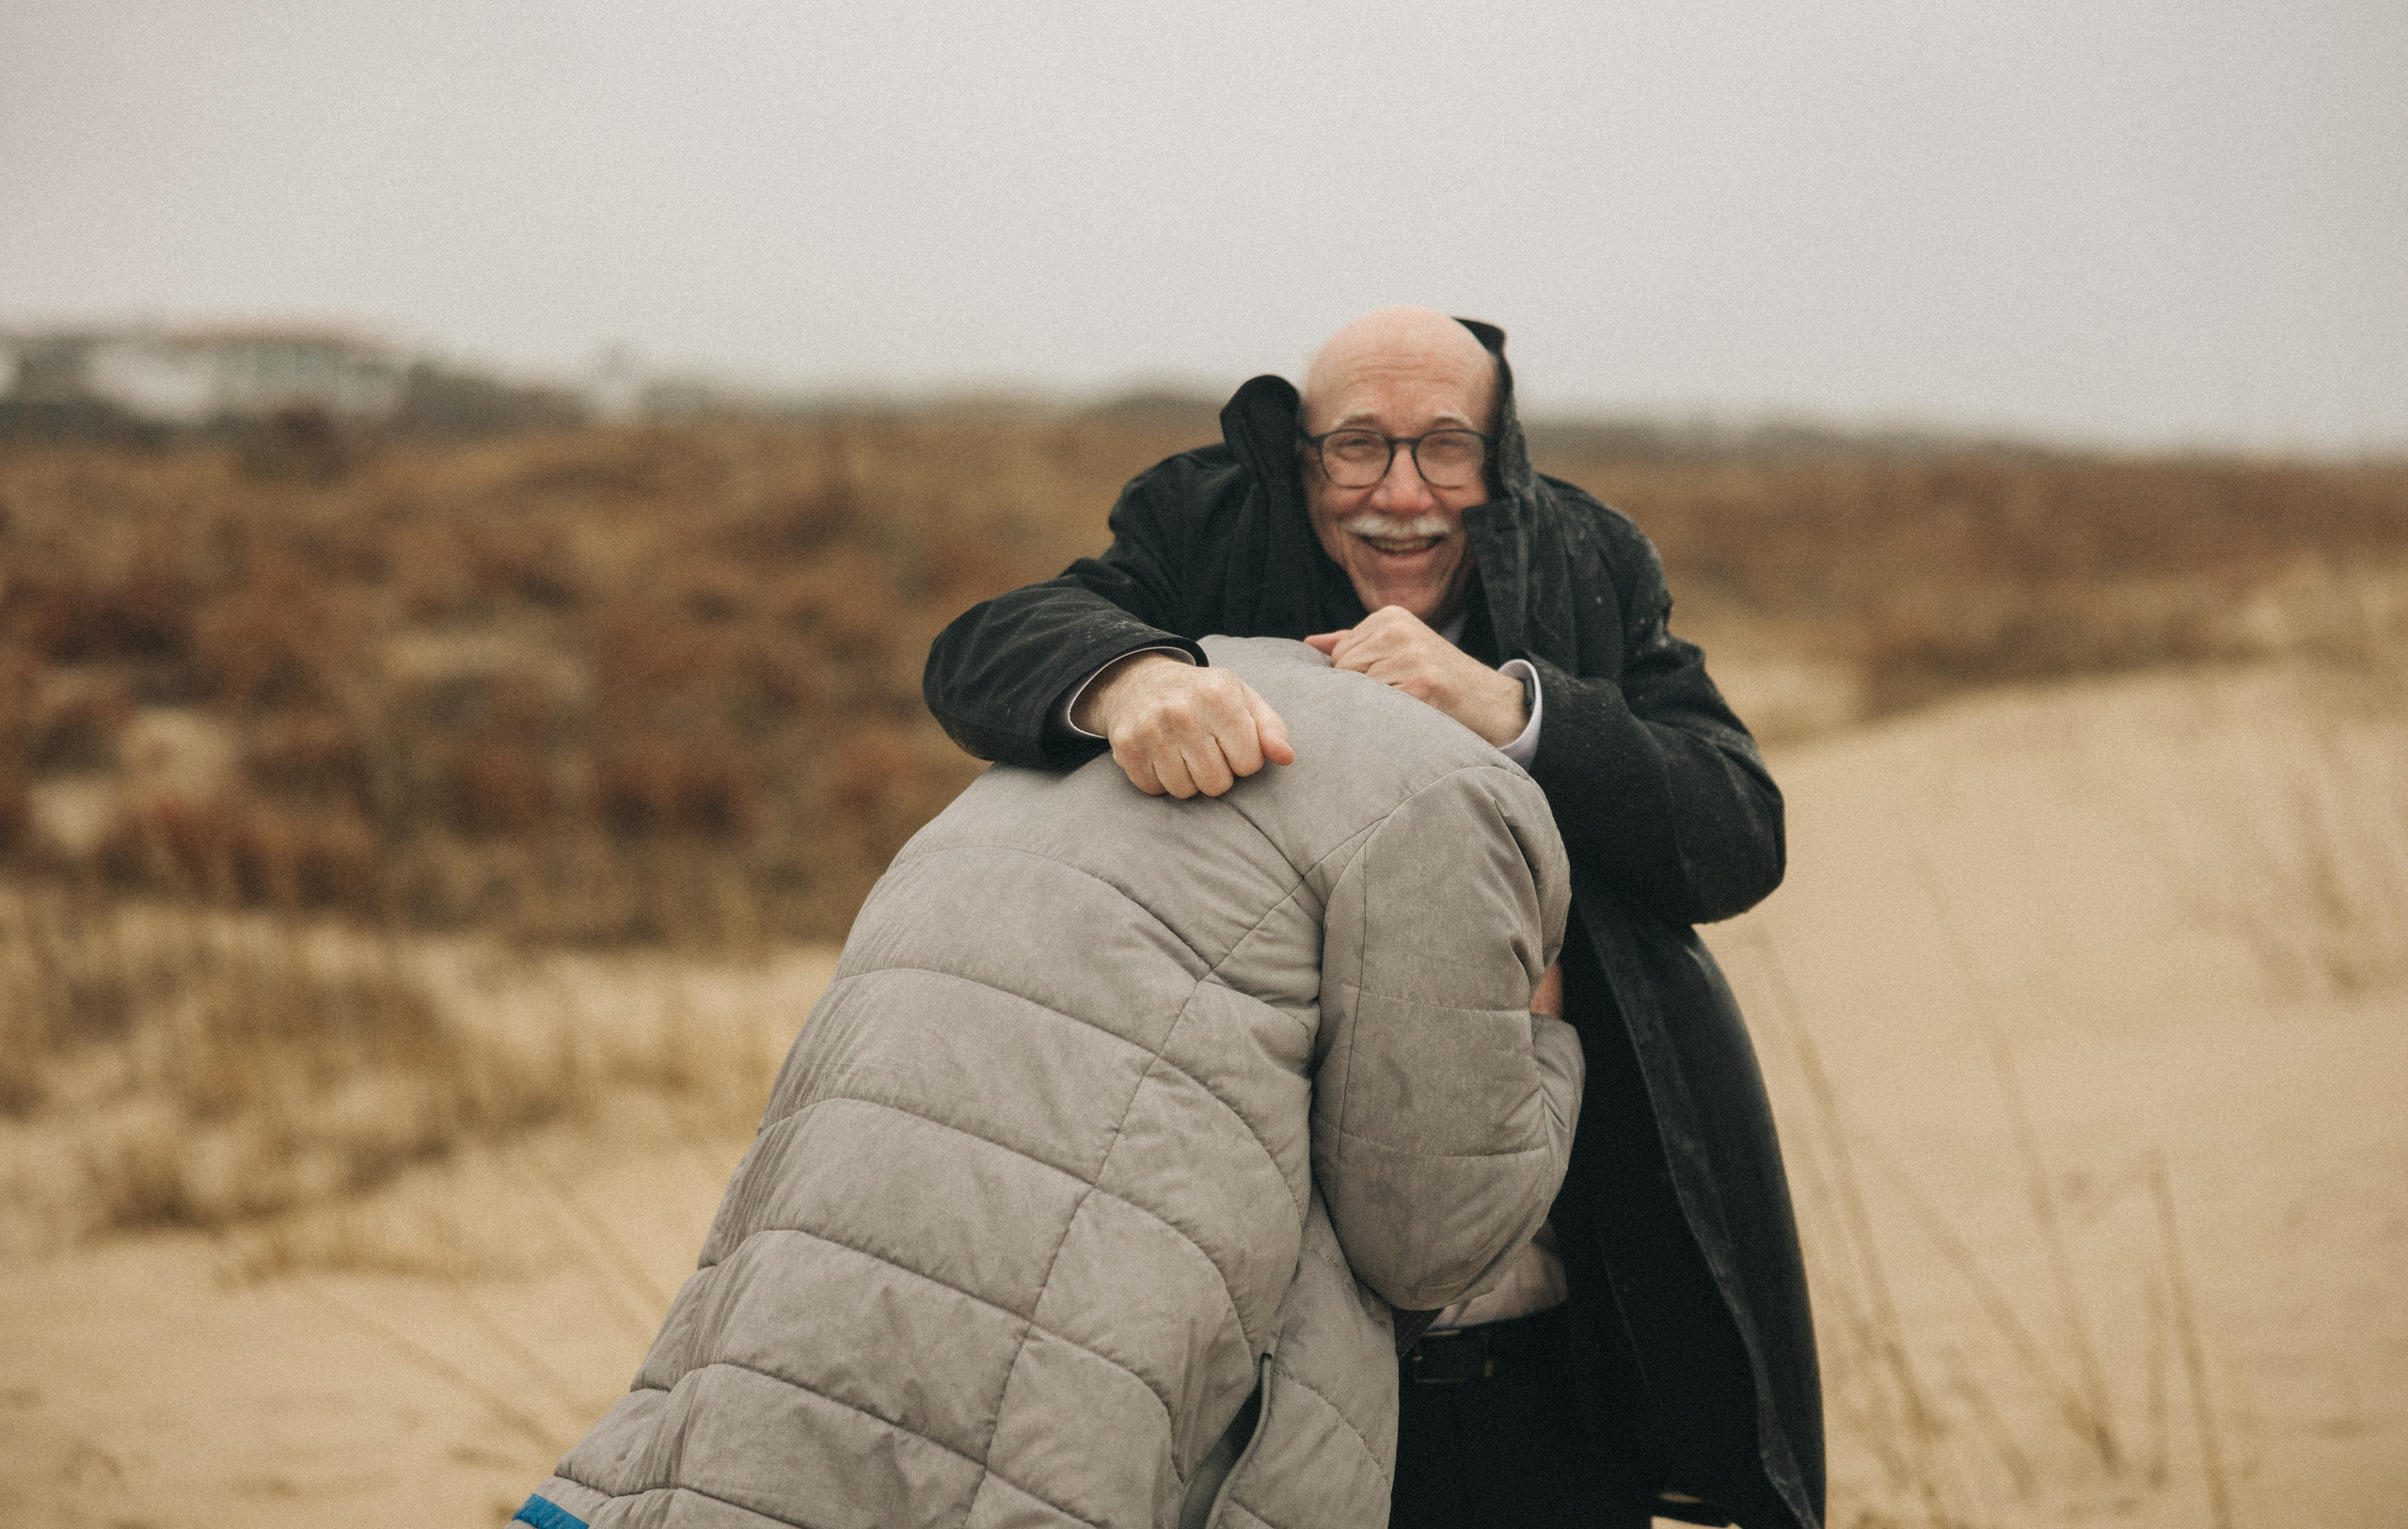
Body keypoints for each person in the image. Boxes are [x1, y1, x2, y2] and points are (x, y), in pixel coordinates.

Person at [924, 307, 1823, 1529]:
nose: (1401, 494)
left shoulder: (1591, 563)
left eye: (1446, 445)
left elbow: (1735, 828)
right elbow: (986, 645)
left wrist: (1512, 709)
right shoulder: (1204, 529)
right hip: (1274, 1359)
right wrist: (1133, 677)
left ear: (1501, 459)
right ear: (1302, 457)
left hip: (1558, 1346)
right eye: (1357, 445)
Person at [515, 635, 1585, 1529]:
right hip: (1070, 1396)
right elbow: (1427, 1233)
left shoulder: (1085, 725)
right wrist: (1545, 1041)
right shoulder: (1463, 799)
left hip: (802, 1308)